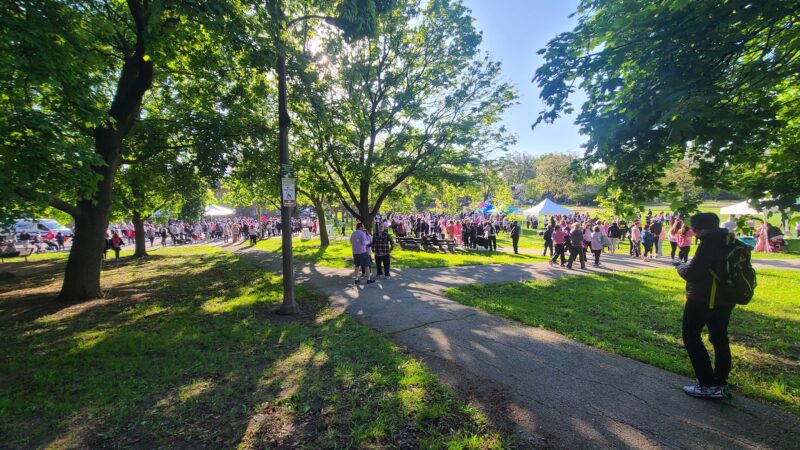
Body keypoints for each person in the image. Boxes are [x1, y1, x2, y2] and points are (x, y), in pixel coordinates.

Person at [677, 213, 735, 399]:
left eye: (694, 229)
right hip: (725, 299)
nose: (693, 233)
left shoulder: (709, 244)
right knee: (720, 338)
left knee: (691, 336)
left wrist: (680, 267)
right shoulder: (730, 240)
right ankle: (720, 382)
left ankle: (707, 384)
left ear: (699, 229)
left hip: (704, 299)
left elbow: (693, 274)